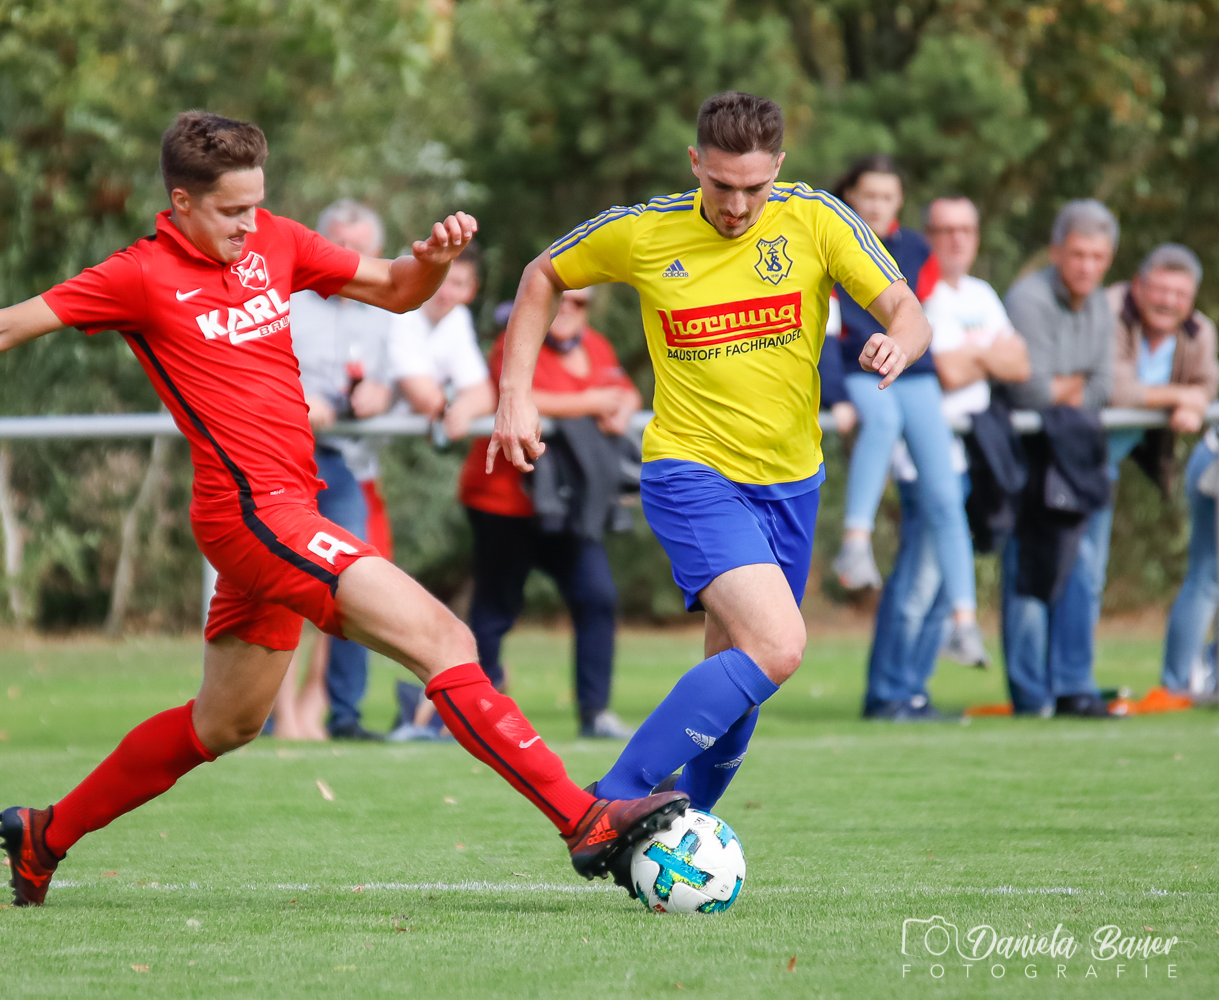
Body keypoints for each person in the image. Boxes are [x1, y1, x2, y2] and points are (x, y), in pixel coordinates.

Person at [0, 111, 686, 906]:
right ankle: (582, 819)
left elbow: (396, 292)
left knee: (227, 723)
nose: (251, 226)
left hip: (289, 508)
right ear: (180, 202)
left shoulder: (275, 241)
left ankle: (45, 835)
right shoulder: (137, 276)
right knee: (445, 638)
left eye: (257, 205)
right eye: (231, 211)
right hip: (252, 518)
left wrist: (430, 262)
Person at [490, 91, 932, 897]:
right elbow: (542, 273)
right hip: (691, 472)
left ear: (779, 170)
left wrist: (897, 343)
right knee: (779, 646)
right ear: (696, 164)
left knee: (740, 677)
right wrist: (515, 394)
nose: (736, 205)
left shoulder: (816, 220)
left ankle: (670, 841)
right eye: (721, 185)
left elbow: (907, 308)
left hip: (791, 484)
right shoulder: (646, 231)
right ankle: (608, 803)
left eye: (754, 188)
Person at [862, 197, 1030, 719]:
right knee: (919, 580)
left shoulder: (981, 294)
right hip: (923, 460)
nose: (957, 239)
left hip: (968, 457)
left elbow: (1020, 363)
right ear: (928, 237)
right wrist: (986, 356)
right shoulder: (917, 297)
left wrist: (971, 356)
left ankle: (914, 689)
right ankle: (889, 692)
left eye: (966, 229)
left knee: (940, 587)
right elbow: (947, 373)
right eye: (945, 230)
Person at [821, 156, 986, 665]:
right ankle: (855, 542)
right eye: (868, 195)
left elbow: (927, 313)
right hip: (862, 368)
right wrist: (837, 397)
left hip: (914, 372)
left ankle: (964, 620)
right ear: (850, 195)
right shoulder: (828, 243)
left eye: (887, 197)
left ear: (899, 201)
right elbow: (823, 331)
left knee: (945, 494)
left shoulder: (915, 249)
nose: (877, 205)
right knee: (884, 421)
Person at [459, 287, 642, 739]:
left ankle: (595, 713)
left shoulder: (596, 345)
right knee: (495, 609)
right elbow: (518, 397)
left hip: (570, 505)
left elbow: (625, 392)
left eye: (580, 302)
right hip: (506, 501)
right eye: (562, 297)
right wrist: (594, 402)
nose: (569, 309)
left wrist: (623, 407)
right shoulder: (517, 341)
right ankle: (477, 711)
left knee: (597, 596)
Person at [285, 198, 397, 741]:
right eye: (339, 245)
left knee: (355, 581)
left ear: (377, 252)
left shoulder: (390, 308)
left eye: (359, 247)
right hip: (286, 455)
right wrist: (298, 401)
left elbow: (408, 376)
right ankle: (262, 716)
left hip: (348, 464)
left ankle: (345, 714)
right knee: (277, 585)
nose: (348, 256)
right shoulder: (286, 302)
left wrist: (385, 393)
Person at [1001, 199, 1119, 716]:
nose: (1087, 266)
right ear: (1056, 252)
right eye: (1078, 254)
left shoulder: (1101, 305)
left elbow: (1105, 386)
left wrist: (1064, 387)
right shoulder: (1027, 298)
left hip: (1078, 452)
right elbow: (1030, 392)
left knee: (1084, 569)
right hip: (1028, 455)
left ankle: (1074, 685)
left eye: (1097, 257)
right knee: (1031, 569)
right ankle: (1033, 696)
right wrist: (1074, 385)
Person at [1105, 245, 1218, 704]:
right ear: (1139, 284)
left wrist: (1196, 398)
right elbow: (1114, 386)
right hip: (1082, 459)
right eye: (1161, 289)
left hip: (1139, 456)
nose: (1169, 301)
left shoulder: (1199, 330)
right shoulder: (1111, 311)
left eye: (1180, 293)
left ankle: (1194, 679)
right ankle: (1177, 683)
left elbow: (1207, 382)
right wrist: (1181, 397)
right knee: (1208, 575)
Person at [389, 244, 495, 440]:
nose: (445, 292)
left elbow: (484, 395)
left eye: (457, 284)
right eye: (440, 279)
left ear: (471, 290)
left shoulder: (458, 318)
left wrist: (463, 410)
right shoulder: (399, 312)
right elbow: (423, 396)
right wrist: (456, 412)